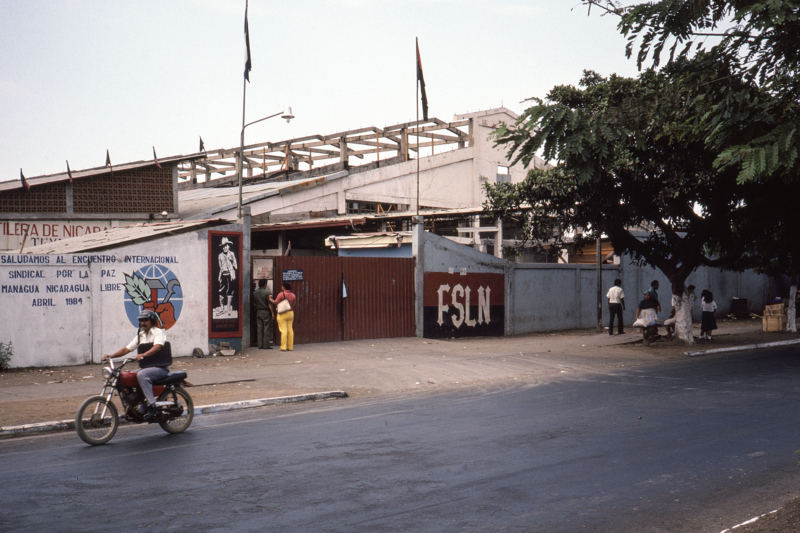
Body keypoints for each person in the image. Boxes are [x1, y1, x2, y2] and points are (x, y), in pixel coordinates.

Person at [102, 309, 171, 420]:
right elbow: (126, 349)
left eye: (145, 320)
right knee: (124, 377)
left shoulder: (158, 332)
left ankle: (152, 405)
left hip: (160, 368)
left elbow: (157, 347)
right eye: (141, 321)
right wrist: (110, 356)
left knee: (142, 375)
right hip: (146, 367)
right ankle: (133, 405)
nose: (143, 323)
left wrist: (144, 354)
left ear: (152, 321)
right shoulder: (140, 335)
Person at [270, 282, 296, 351]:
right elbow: (294, 305)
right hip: (290, 313)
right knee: (290, 330)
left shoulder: (281, 294)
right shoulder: (293, 295)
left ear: (284, 287)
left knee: (283, 330)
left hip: (282, 314)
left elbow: (276, 302)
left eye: (282, 286)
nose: (281, 287)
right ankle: (290, 347)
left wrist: (270, 299)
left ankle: (283, 347)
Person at [217, 237, 238, 317]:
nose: (225, 247)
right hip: (223, 275)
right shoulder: (220, 256)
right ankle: (222, 308)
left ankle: (228, 308)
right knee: (221, 291)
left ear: (229, 246)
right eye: (223, 246)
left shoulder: (232, 254)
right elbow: (220, 267)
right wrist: (219, 276)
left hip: (230, 275)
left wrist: (231, 260)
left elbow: (236, 266)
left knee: (230, 291)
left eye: (226, 246)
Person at [253, 278, 274, 350]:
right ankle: (266, 345)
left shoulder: (255, 293)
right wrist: (272, 313)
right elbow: (270, 304)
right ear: (265, 285)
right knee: (266, 328)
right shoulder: (267, 293)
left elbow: (254, 303)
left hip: (258, 312)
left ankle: (260, 345)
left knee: (259, 328)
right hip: (265, 312)